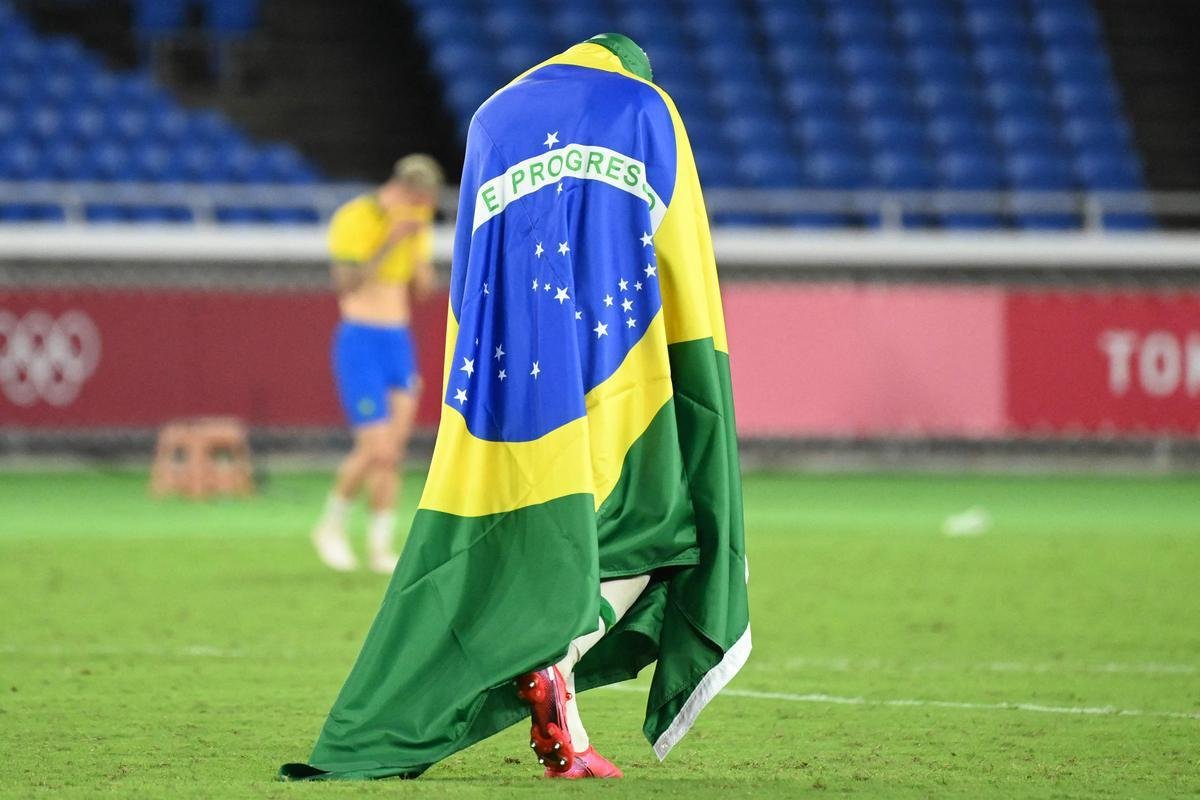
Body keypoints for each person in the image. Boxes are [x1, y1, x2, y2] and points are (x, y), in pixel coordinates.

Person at [281, 33, 749, 781]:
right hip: (606, 362)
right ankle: (549, 651)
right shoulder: (645, 109)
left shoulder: (496, 120)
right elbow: (679, 243)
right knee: (655, 524)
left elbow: (463, 273)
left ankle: (549, 697)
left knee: (426, 465)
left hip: (511, 366)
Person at [311, 154, 443, 574]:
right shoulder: (357, 217)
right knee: (375, 447)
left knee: (393, 452)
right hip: (361, 336)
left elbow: (422, 288)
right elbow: (346, 282)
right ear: (401, 188)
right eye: (418, 197)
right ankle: (331, 525)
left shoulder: (417, 219)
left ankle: (381, 545)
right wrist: (390, 239)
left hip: (397, 339)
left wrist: (417, 249)